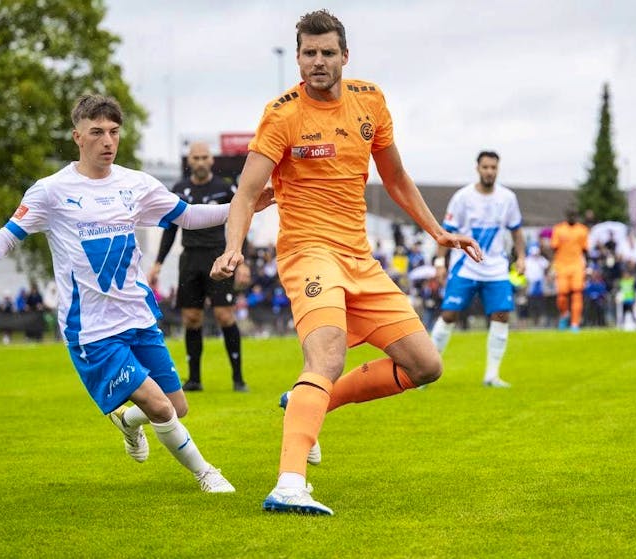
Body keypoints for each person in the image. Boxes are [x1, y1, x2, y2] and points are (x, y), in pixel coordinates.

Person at [210, 10, 482, 515]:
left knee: (426, 365)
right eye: (309, 53)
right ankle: (289, 484)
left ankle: (310, 401)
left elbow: (396, 177)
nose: (317, 61)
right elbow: (246, 193)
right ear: (297, 58)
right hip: (307, 252)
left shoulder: (371, 100)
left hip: (359, 256)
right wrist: (234, 247)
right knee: (327, 358)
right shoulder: (282, 114)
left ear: (344, 56)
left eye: (327, 52)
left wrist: (437, 231)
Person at [0, 94, 272, 493]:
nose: (108, 140)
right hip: (91, 331)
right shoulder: (51, 191)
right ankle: (206, 473)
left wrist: (241, 206)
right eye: (97, 132)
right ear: (77, 137)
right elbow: (11, 234)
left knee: (176, 407)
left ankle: (126, 419)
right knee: (158, 406)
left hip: (138, 317)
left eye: (114, 132)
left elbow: (188, 217)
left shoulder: (135, 184)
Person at [149, 142, 247, 392]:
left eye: (205, 157)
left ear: (211, 160)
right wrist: (158, 263)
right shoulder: (180, 189)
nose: (201, 161)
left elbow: (241, 218)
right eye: (196, 157)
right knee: (191, 318)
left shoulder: (224, 188)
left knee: (225, 315)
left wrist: (241, 257)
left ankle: (238, 379)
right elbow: (170, 229)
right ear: (189, 161)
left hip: (218, 255)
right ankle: (194, 379)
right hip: (190, 259)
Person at [429, 151, 525, 388]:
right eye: (485, 167)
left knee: (501, 315)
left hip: (497, 268)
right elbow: (446, 232)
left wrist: (521, 257)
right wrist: (440, 263)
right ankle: (425, 372)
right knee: (449, 314)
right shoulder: (463, 197)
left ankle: (492, 375)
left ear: (498, 169)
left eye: (493, 167)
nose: (489, 171)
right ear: (478, 168)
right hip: (466, 267)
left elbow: (516, 230)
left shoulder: (507, 198)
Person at [550, 209, 589, 332]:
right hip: (562, 266)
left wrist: (587, 267)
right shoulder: (558, 229)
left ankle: (575, 323)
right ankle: (564, 314)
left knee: (577, 293)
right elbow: (554, 248)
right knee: (562, 294)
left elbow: (585, 250)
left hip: (577, 266)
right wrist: (552, 266)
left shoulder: (582, 230)